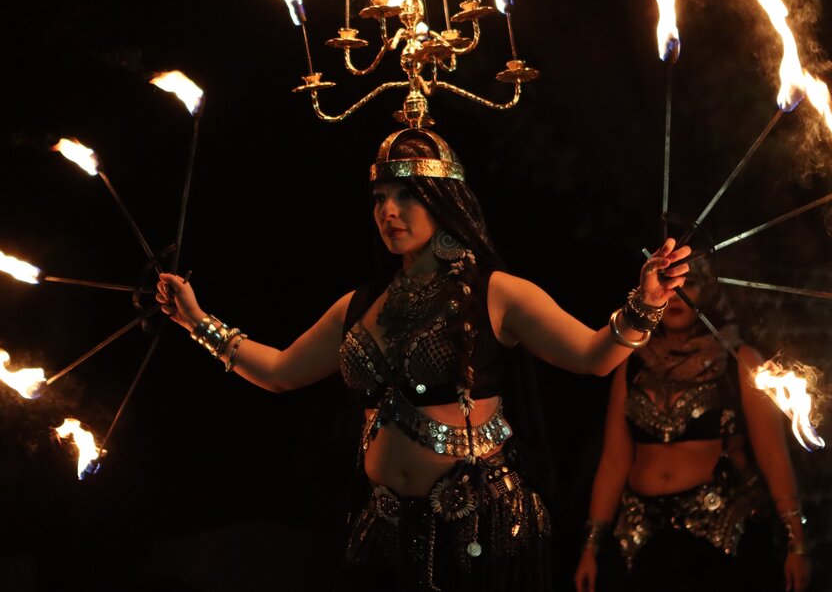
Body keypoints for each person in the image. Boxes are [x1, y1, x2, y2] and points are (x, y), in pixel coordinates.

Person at [156, 128, 690, 591]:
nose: (388, 211)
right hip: (383, 534)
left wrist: (648, 302)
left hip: (480, 529)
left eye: (407, 194)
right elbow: (278, 372)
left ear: (442, 198)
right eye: (380, 197)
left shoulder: (496, 293)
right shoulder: (359, 305)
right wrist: (197, 322)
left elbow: (593, 357)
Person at [573, 257, 812, 592]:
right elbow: (614, 459)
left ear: (710, 291)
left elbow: (773, 454)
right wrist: (591, 546)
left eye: (691, 284)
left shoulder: (739, 360)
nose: (678, 295)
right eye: (669, 285)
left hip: (720, 537)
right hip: (642, 540)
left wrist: (796, 544)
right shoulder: (629, 363)